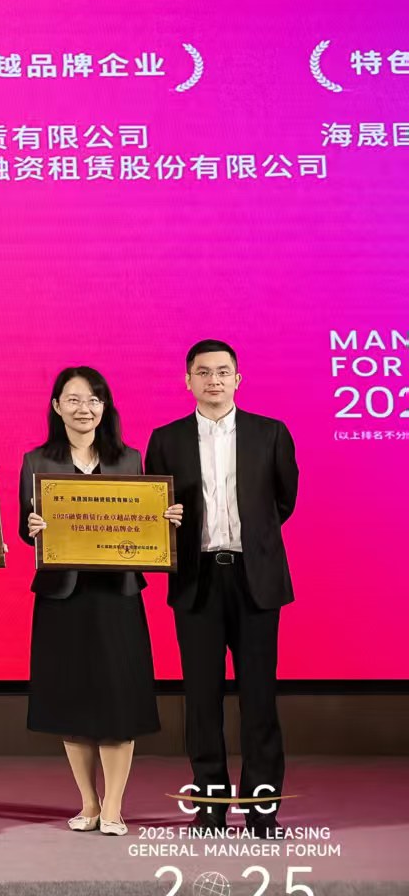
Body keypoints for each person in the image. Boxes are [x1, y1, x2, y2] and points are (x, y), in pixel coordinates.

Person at [19, 366, 182, 837]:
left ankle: (113, 806)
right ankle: (88, 803)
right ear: (56, 407)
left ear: (104, 407)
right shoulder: (36, 461)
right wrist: (32, 528)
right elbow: (24, 527)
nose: (84, 409)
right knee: (71, 701)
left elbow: (143, 522)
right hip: (62, 597)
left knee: (118, 701)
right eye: (73, 400)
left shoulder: (129, 460)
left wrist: (164, 521)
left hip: (117, 595)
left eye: (93, 400)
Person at [145, 340, 299, 837]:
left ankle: (262, 808)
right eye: (203, 372)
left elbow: (283, 500)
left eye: (223, 371)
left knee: (260, 698)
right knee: (201, 698)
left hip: (256, 579)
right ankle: (209, 805)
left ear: (238, 379)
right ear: (187, 380)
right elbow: (155, 506)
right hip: (198, 579)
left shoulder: (270, 433)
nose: (214, 380)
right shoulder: (165, 439)